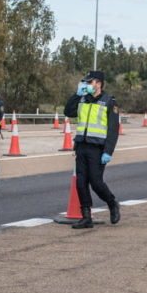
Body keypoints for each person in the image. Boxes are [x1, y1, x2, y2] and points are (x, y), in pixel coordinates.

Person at [64, 71, 121, 229]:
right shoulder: (82, 99)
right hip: (82, 146)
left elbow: (113, 129)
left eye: (91, 82)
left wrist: (108, 151)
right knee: (81, 183)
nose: (88, 85)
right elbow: (68, 112)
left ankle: (112, 203)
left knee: (96, 183)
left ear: (99, 83)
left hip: (98, 148)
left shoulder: (109, 101)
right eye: (87, 82)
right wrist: (76, 95)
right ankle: (86, 217)